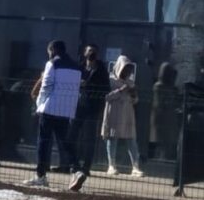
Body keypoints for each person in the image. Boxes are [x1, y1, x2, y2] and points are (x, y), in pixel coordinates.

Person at [24, 39, 81, 187]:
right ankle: (77, 169)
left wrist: (39, 104)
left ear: (53, 50)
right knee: (65, 141)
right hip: (66, 109)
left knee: (43, 142)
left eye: (49, 51)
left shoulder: (52, 64)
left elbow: (46, 86)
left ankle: (41, 175)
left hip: (49, 108)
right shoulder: (76, 67)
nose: (48, 54)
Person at [68, 44, 111, 191]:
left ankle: (86, 167)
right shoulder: (80, 68)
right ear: (84, 53)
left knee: (89, 138)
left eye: (94, 52)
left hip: (92, 107)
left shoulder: (101, 70)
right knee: (71, 136)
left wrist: (89, 84)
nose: (91, 54)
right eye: (89, 51)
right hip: (78, 106)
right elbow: (71, 84)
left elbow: (106, 88)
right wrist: (79, 84)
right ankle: (74, 165)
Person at [102, 56, 143, 177]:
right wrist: (120, 90)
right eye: (125, 69)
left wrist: (133, 94)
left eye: (129, 70)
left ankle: (135, 166)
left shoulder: (131, 82)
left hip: (127, 114)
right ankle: (111, 165)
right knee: (112, 138)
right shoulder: (110, 80)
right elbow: (106, 97)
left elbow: (135, 100)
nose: (127, 72)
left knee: (131, 140)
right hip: (113, 113)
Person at [150, 62, 181, 161]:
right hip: (161, 116)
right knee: (161, 139)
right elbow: (159, 102)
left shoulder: (173, 88)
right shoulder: (158, 86)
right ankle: (160, 157)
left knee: (168, 140)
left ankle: (166, 157)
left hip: (170, 117)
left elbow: (176, 101)